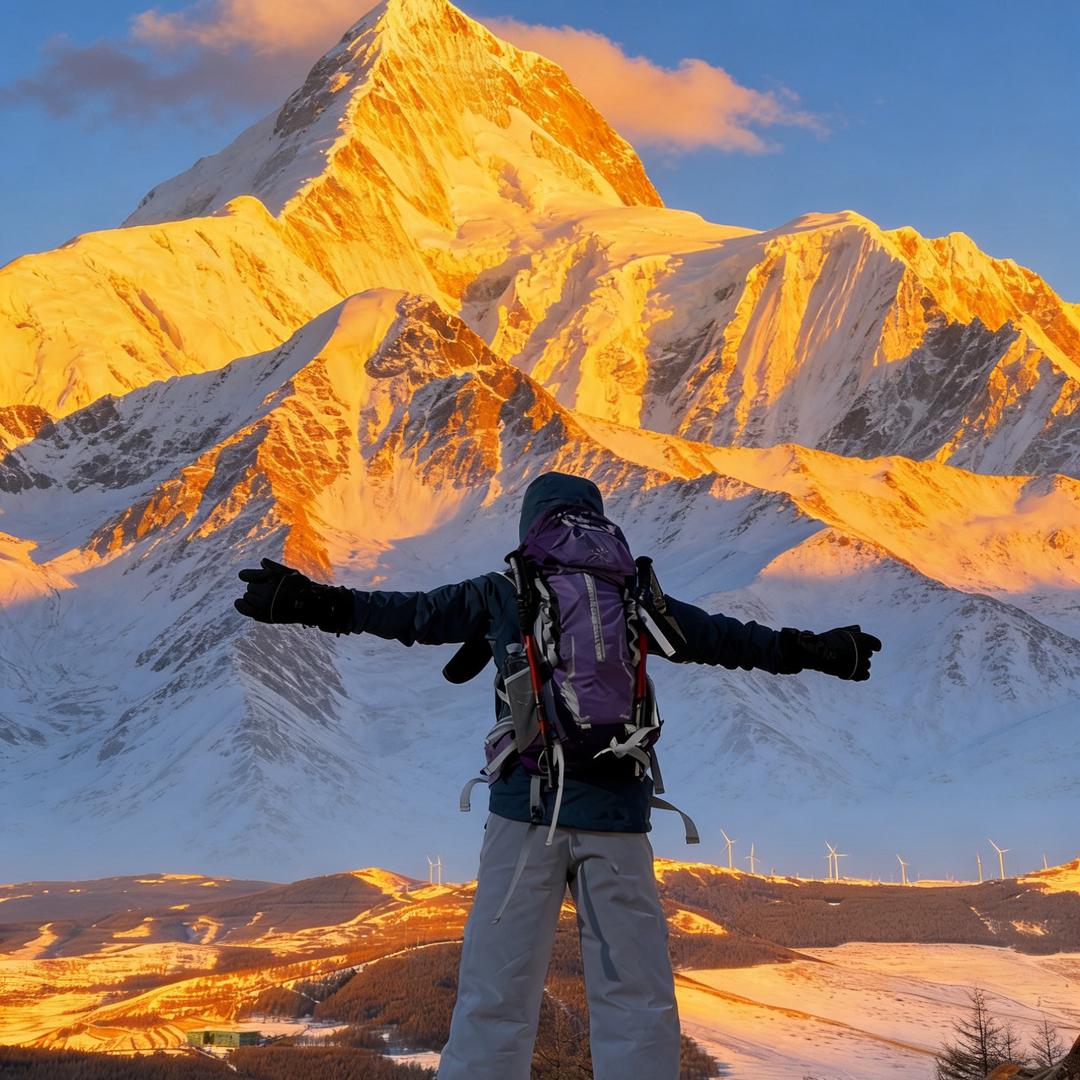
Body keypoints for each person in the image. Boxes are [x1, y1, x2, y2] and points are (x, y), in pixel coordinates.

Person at [234, 471, 881, 1079]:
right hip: (620, 819)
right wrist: (820, 650)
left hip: (526, 816)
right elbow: (732, 641)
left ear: (530, 527)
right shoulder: (634, 595)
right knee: (637, 998)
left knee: (498, 993)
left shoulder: (506, 591)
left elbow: (411, 615)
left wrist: (310, 602)